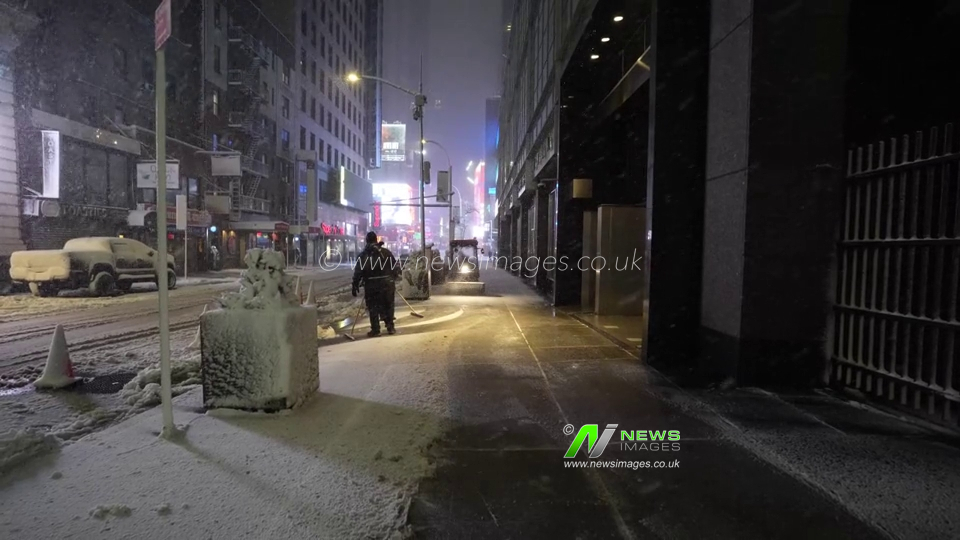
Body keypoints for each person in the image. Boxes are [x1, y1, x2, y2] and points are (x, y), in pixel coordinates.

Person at [352, 231, 401, 337]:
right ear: (376, 240)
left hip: (372, 284)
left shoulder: (363, 255)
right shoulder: (386, 252)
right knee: (388, 305)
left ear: (366, 241)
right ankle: (390, 327)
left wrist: (355, 284)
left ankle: (376, 329)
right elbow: (395, 267)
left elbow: (358, 271)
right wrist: (393, 277)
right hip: (387, 284)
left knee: (373, 306)